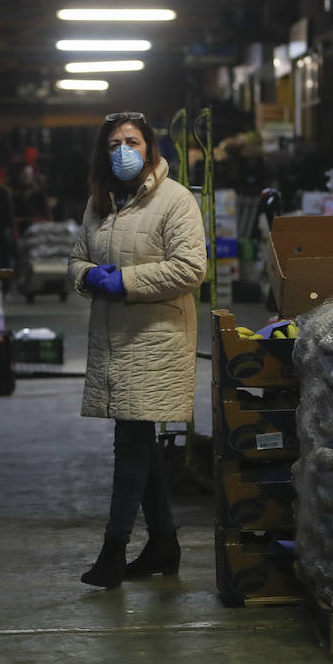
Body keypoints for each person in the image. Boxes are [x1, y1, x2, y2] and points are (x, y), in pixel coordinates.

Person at [68, 111, 207, 588]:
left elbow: (190, 268)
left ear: (149, 148)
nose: (123, 150)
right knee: (139, 439)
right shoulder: (99, 203)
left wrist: (123, 280)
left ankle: (114, 549)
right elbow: (76, 258)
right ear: (103, 153)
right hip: (113, 337)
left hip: (155, 337)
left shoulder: (175, 200)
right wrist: (88, 275)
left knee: (130, 442)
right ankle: (164, 543)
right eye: (113, 144)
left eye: (132, 141)